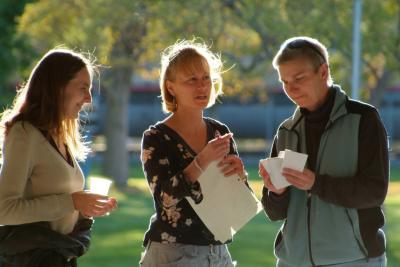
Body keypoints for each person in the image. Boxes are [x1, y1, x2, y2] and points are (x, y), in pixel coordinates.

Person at [259, 36, 388, 267]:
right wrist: (276, 193)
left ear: (323, 71)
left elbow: (375, 192)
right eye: (285, 81)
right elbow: (275, 213)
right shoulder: (286, 131)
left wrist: (316, 183)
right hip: (293, 261)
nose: (291, 89)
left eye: (299, 78)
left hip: (355, 259)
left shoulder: (363, 120)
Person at [0, 48, 117, 266]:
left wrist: (84, 207)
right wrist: (72, 201)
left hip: (58, 257)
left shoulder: (59, 136)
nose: (89, 98)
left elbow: (60, 205)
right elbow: (4, 210)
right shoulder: (24, 133)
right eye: (83, 88)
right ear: (57, 88)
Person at [139, 39, 248, 267]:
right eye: (191, 80)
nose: (202, 86)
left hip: (218, 254)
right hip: (173, 254)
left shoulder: (220, 131)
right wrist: (201, 162)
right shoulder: (156, 138)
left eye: (206, 78)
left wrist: (241, 177)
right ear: (171, 87)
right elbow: (164, 199)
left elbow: (235, 202)